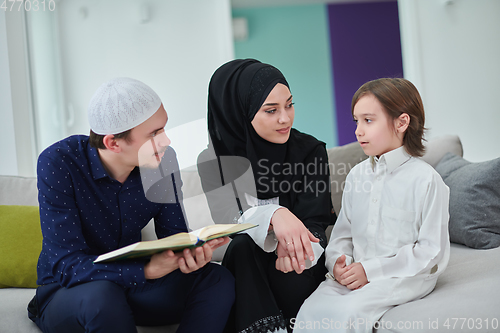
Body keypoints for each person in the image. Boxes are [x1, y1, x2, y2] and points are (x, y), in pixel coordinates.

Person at [27, 77, 235, 333]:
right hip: (71, 291)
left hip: (134, 289)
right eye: (154, 134)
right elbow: (67, 265)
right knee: (103, 295)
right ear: (113, 143)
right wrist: (145, 270)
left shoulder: (163, 161)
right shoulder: (59, 162)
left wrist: (189, 255)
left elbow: (174, 237)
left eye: (164, 128)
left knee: (216, 279)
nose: (166, 141)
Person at [293, 78, 450, 333]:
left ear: (402, 122)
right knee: (309, 311)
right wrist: (338, 263)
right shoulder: (356, 176)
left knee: (349, 314)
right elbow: (343, 234)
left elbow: (431, 252)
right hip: (356, 273)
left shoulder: (427, 180)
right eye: (356, 121)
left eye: (368, 120)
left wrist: (371, 270)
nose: (358, 131)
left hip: (404, 275)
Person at [197, 59, 336, 333]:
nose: (285, 118)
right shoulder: (214, 161)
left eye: (289, 105)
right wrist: (275, 216)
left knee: (248, 250)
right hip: (247, 267)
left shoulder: (309, 151)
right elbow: (229, 219)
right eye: (271, 110)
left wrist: (296, 248)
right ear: (239, 113)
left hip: (298, 266)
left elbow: (316, 222)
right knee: (242, 247)